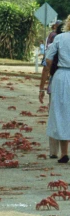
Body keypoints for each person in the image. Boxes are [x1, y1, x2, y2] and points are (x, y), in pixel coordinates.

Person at [40, 21, 70, 163]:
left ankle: (64, 153)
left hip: (62, 75)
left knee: (61, 113)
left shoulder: (60, 38)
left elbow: (48, 60)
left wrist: (42, 85)